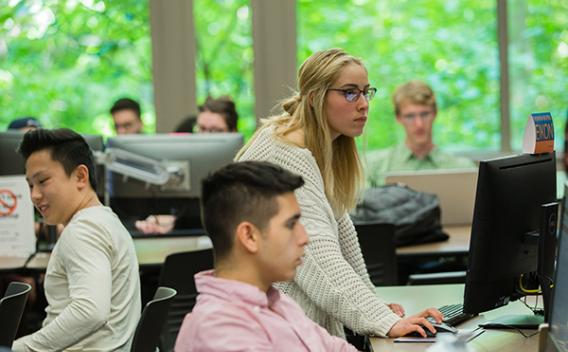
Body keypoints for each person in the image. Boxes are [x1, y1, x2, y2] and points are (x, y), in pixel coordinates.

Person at [236, 48, 442, 339]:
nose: (363, 105)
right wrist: (382, 320)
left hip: (293, 326)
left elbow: (343, 239)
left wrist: (376, 308)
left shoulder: (319, 149)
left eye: (365, 92)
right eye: (349, 93)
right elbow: (317, 256)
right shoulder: (284, 154)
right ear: (314, 98)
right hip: (267, 331)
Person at [174, 161, 357, 351]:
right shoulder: (220, 329)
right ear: (249, 236)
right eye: (291, 224)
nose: (304, 238)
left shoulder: (278, 303)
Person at [12, 128, 141, 351]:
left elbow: (90, 311)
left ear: (81, 176)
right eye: (30, 185)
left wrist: (22, 348)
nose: (34, 195)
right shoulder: (105, 219)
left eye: (43, 181)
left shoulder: (82, 230)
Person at [366, 80, 476, 186]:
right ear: (398, 118)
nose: (419, 124)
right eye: (410, 116)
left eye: (424, 114)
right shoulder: (375, 167)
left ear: (435, 113)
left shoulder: (462, 168)